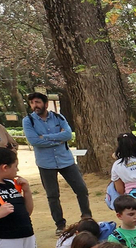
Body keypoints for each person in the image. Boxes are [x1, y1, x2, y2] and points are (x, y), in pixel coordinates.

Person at [19, 93, 91, 228]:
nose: (35, 105)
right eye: (32, 103)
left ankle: (86, 217)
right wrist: (58, 139)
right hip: (45, 163)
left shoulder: (58, 117)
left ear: (45, 104)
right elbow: (34, 141)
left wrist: (44, 137)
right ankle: (60, 224)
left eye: (38, 102)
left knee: (81, 189)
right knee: (52, 195)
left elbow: (68, 135)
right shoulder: (28, 121)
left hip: (66, 160)